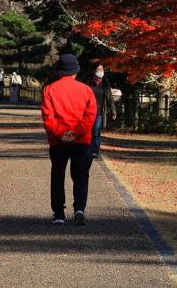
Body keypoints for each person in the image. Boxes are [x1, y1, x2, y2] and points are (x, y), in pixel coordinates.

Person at [41, 54, 96, 226]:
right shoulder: (86, 90)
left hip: (58, 141)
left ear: (59, 71)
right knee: (80, 175)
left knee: (58, 174)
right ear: (76, 72)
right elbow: (90, 115)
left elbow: (47, 116)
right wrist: (76, 132)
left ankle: (59, 213)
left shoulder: (49, 89)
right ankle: (79, 209)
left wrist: (60, 133)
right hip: (81, 140)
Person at [82, 63, 116, 159]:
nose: (101, 72)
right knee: (87, 132)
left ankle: (95, 151)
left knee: (96, 133)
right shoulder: (87, 82)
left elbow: (110, 98)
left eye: (102, 70)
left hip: (99, 112)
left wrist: (113, 111)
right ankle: (86, 150)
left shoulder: (105, 83)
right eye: (98, 70)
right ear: (93, 71)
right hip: (87, 112)